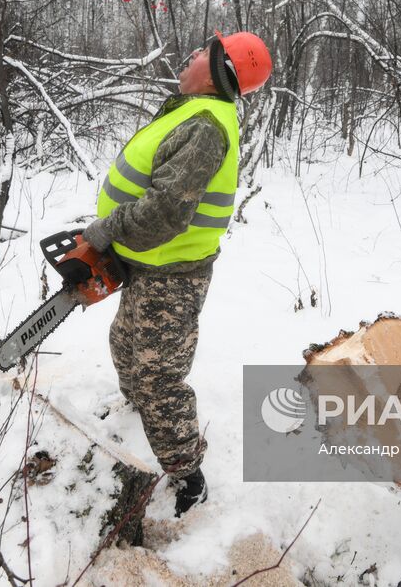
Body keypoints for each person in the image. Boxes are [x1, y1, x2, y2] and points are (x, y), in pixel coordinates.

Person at [80, 30, 272, 516]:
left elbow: (167, 211)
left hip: (172, 276)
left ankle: (188, 477)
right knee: (125, 343)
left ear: (218, 70)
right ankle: (134, 409)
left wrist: (107, 230)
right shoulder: (192, 112)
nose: (190, 56)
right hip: (149, 260)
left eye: (202, 52)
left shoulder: (205, 126)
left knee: (157, 376)